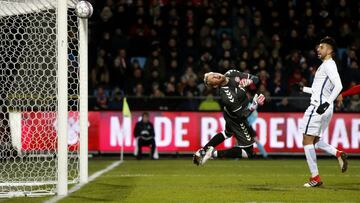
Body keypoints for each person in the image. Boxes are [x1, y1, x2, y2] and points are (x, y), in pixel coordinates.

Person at [299, 37, 347, 187]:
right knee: (315, 140)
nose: (318, 49)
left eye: (321, 47)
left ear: (330, 50)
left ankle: (315, 178)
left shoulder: (328, 65)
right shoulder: (326, 66)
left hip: (318, 107)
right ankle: (337, 153)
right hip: (325, 108)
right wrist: (303, 89)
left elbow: (339, 85)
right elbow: (319, 90)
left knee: (307, 140)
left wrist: (326, 103)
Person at [193, 69, 265, 166]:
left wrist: (250, 81)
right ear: (215, 85)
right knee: (248, 152)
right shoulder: (227, 95)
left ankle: (203, 151)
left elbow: (256, 79)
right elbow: (242, 115)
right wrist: (254, 106)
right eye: (213, 79)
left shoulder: (231, 73)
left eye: (214, 74)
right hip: (236, 118)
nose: (216, 76)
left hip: (231, 113)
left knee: (227, 133)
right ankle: (213, 154)